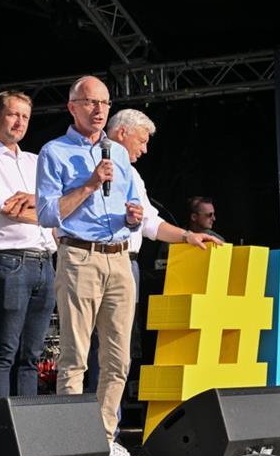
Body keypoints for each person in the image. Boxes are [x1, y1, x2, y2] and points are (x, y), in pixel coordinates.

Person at [86, 109, 222, 434]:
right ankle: (91, 436)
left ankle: (110, 434)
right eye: (142, 140)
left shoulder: (133, 175)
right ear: (122, 133)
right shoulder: (87, 161)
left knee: (119, 353)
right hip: (96, 261)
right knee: (95, 351)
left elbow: (150, 223)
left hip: (127, 264)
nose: (145, 149)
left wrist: (188, 236)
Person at [36, 76, 146, 456]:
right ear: (72, 107)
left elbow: (131, 208)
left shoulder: (118, 153)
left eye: (104, 102)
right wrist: (89, 183)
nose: (99, 109)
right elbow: (47, 214)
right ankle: (70, 447)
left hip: (119, 258)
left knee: (118, 359)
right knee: (74, 358)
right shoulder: (54, 152)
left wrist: (132, 218)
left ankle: (103, 442)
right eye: (90, 102)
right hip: (79, 257)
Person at [0, 91, 56, 405]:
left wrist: (39, 207)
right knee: (3, 352)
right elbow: (6, 207)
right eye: (13, 114)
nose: (20, 122)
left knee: (31, 356)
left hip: (45, 263)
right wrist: (43, 211)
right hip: (8, 262)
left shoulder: (36, 162)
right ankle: (1, 431)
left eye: (25, 117)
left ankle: (28, 434)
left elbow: (61, 211)